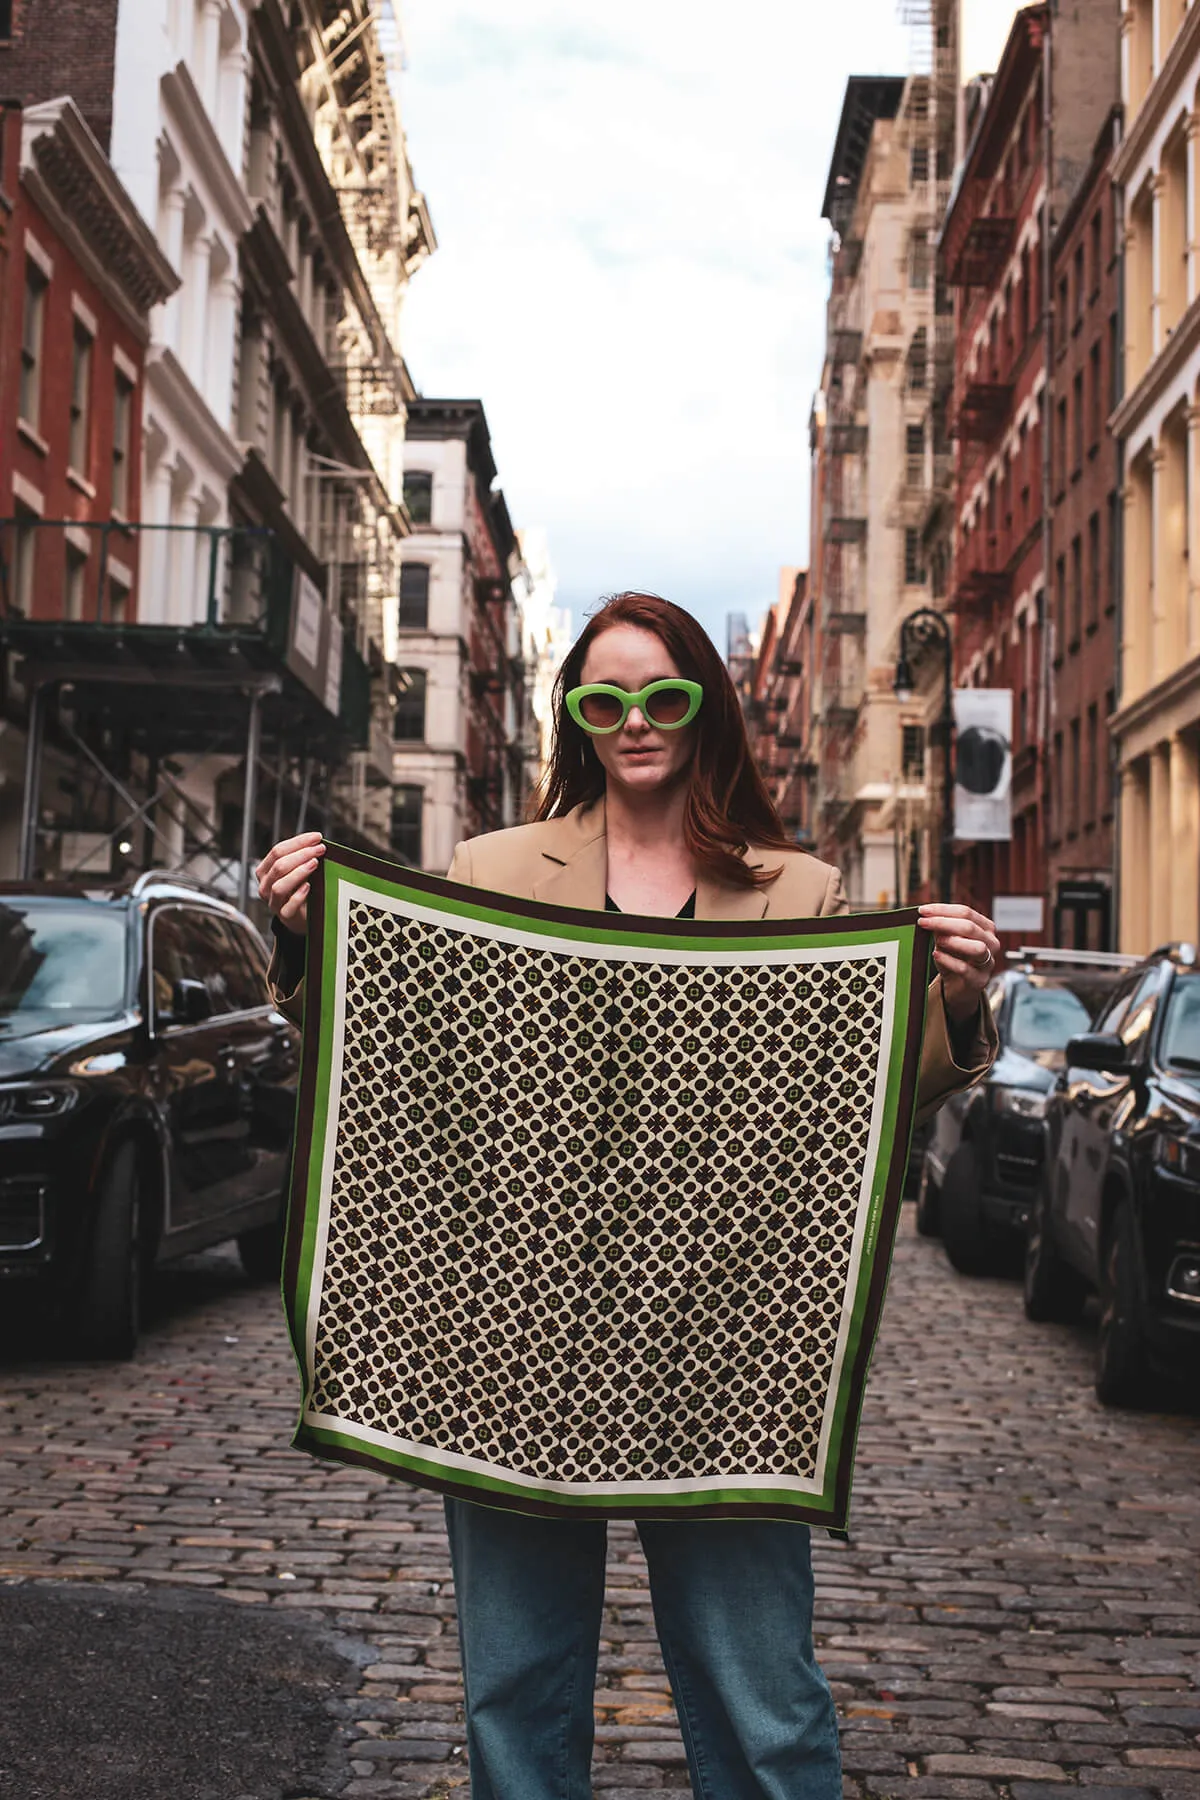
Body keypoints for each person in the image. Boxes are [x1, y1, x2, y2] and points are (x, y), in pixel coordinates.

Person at [258, 592, 1000, 1800]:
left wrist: (955, 1007)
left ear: (704, 705)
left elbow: (860, 1104)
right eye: (606, 701)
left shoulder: (800, 894)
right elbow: (400, 1050)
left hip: (725, 1352)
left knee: (767, 1706)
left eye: (664, 695)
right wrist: (308, 936)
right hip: (516, 1344)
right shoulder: (493, 867)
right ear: (579, 718)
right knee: (517, 1696)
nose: (636, 721)